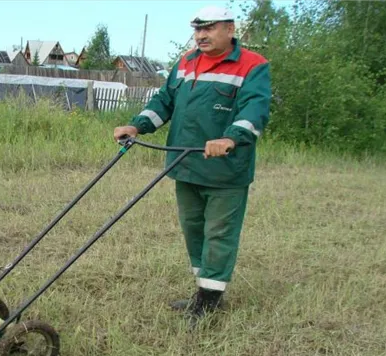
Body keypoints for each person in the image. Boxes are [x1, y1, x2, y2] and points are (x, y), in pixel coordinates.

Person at [113, 5, 272, 321]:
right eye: (198, 29)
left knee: (219, 234)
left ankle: (209, 304)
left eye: (210, 28)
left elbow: (255, 110)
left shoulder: (252, 66)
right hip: (185, 164)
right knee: (194, 231)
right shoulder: (186, 63)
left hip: (225, 170)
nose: (202, 35)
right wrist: (137, 125)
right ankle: (204, 293)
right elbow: (164, 102)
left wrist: (230, 138)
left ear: (230, 29)